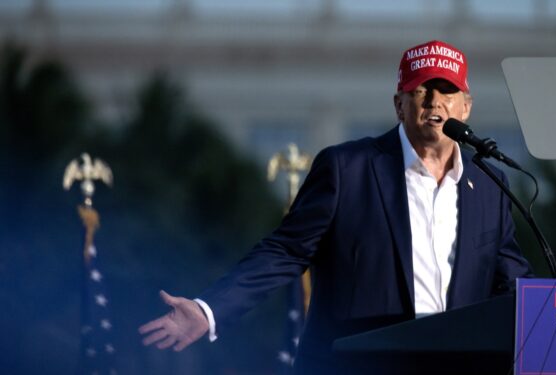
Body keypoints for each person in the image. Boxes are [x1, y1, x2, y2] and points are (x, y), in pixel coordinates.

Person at [139, 40, 533, 374]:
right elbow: (286, 251)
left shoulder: (490, 185)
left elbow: (511, 284)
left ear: (466, 107)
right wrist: (209, 310)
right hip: (357, 366)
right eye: (421, 90)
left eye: (447, 91)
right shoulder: (348, 169)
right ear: (399, 104)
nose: (435, 102)